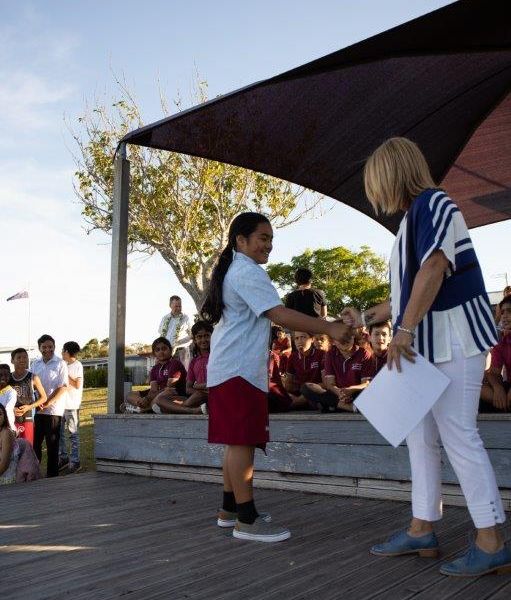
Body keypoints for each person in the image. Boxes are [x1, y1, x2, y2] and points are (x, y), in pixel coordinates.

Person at [342, 137, 509, 577]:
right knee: (421, 435)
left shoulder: (433, 203)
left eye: (376, 182)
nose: (375, 193)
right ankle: (422, 527)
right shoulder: (417, 215)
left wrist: (404, 329)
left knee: (459, 435)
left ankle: (491, 540)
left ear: (392, 174)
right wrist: (366, 315)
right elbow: (411, 287)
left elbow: (434, 267)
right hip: (430, 343)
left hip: (451, 338)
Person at [201, 211, 352, 542]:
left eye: (271, 239)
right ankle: (248, 520)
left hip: (230, 369)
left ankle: (230, 511)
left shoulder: (236, 269)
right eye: (263, 238)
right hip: (238, 370)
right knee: (243, 442)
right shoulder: (247, 271)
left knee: (236, 441)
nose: (269, 245)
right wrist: (329, 327)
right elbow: (280, 314)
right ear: (241, 241)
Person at [301, 326, 373, 412]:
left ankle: (336, 405)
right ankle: (350, 407)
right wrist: (340, 393)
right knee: (306, 388)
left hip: (355, 393)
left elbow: (366, 384)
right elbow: (330, 384)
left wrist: (351, 389)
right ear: (333, 340)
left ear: (353, 336)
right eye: (339, 338)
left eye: (347, 336)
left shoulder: (364, 353)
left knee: (366, 393)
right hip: (337, 394)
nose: (344, 340)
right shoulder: (330, 354)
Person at [123, 337, 199, 415]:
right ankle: (144, 406)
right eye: (157, 350)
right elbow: (153, 389)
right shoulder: (155, 368)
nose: (161, 352)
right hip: (158, 394)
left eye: (164, 349)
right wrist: (145, 400)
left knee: (165, 393)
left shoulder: (175, 363)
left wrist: (148, 398)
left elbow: (170, 386)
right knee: (130, 395)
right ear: (154, 353)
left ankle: (144, 408)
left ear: (171, 350)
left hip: (175, 395)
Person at [31, 334, 68, 478]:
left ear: (54, 347)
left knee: (52, 446)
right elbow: (32, 385)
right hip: (37, 412)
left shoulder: (60, 363)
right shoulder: (35, 364)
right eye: (44, 347)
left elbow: (62, 387)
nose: (47, 349)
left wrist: (47, 403)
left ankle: (52, 477)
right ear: (39, 348)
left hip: (53, 411)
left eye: (50, 347)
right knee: (35, 446)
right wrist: (37, 402)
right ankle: (34, 473)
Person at [9, 348, 47, 445]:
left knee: (27, 446)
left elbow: (44, 397)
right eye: (19, 357)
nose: (22, 360)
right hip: (10, 418)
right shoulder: (7, 378)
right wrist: (11, 409)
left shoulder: (33, 377)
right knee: (12, 448)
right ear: (12, 360)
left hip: (27, 417)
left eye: (25, 357)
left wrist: (29, 407)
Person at [480, 296, 511, 412]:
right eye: (502, 312)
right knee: (476, 387)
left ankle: (504, 404)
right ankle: (505, 403)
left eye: (509, 311)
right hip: (508, 389)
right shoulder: (501, 343)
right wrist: (498, 388)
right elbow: (493, 372)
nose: (504, 316)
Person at [59, 341, 84, 473]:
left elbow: (77, 384)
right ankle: (63, 458)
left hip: (72, 405)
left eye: (63, 350)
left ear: (68, 352)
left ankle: (75, 461)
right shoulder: (63, 364)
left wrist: (65, 375)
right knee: (59, 434)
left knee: (73, 434)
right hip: (60, 405)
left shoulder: (77, 365)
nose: (61, 353)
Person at [284, 331, 324, 409]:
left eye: (303, 337)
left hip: (316, 392)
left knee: (308, 388)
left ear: (312, 339)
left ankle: (292, 405)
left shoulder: (321, 354)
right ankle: (296, 403)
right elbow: (289, 385)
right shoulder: (293, 357)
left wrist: (309, 388)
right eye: (296, 338)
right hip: (299, 393)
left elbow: (326, 384)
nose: (299, 341)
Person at [184, 321, 213, 409]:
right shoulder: (194, 362)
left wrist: (199, 386)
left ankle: (184, 408)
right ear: (194, 340)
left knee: (189, 401)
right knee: (162, 399)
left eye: (207, 336)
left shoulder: (218, 357)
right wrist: (200, 391)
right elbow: (188, 388)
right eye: (199, 337)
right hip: (199, 397)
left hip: (216, 395)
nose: (203, 340)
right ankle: (197, 410)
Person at [158, 295, 192, 367]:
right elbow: (161, 334)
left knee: (183, 373)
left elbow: (191, 335)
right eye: (176, 306)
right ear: (170, 305)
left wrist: (178, 343)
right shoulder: (165, 318)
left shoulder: (186, 318)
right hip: (167, 352)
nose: (179, 308)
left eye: (180, 306)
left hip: (181, 351)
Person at [0, 403, 20, 485]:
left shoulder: (6, 433)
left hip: (6, 480)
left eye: (0, 414)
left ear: (4, 417)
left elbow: (4, 464)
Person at [0, 364, 17, 432]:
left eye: (6, 375)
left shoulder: (11, 392)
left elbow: (7, 409)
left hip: (6, 428)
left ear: (10, 376)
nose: (3, 377)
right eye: (0, 374)